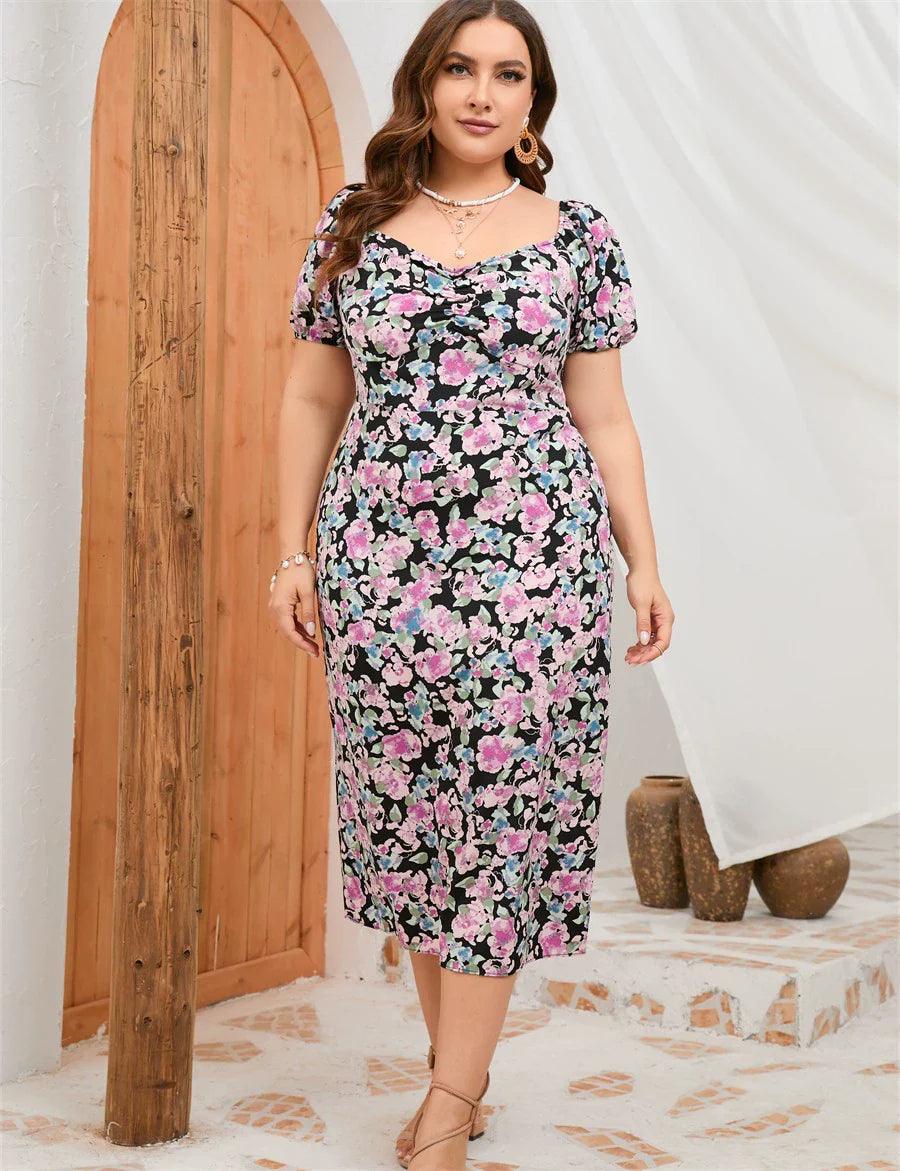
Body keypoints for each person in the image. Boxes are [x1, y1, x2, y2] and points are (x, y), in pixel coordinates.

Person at [269, 1, 674, 1166]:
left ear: (534, 100)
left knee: (499, 821)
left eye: (508, 74)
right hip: (379, 566)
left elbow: (605, 416)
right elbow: (312, 396)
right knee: (416, 825)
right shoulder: (352, 225)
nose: (482, 94)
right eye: (460, 69)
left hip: (535, 569)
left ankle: (448, 1104)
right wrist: (293, 550)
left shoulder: (578, 237)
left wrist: (644, 560)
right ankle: (459, 1080)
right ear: (426, 82)